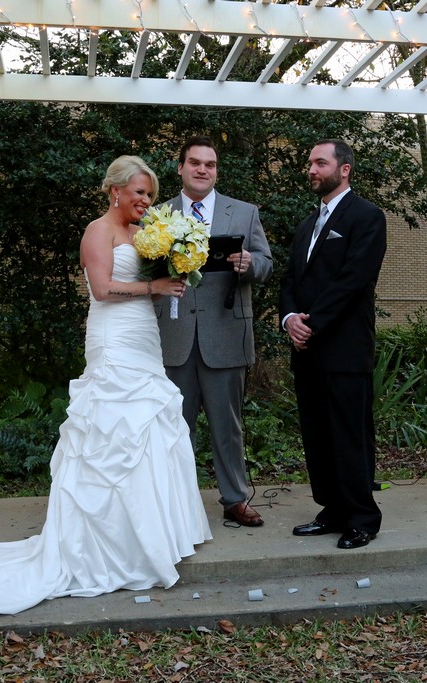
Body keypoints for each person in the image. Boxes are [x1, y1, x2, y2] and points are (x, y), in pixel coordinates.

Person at [0, 156, 212, 634]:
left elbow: (141, 288)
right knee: (112, 432)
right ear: (114, 190)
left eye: (150, 194)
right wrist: (153, 283)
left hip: (143, 337)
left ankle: (151, 534)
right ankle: (105, 542)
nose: (146, 201)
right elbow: (102, 289)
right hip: (113, 339)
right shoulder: (97, 231)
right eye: (139, 192)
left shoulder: (147, 234)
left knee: (149, 425)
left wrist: (169, 278)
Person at [156, 136, 273, 528]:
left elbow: (267, 263)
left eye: (210, 164)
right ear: (180, 168)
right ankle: (176, 503)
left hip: (225, 335)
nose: (202, 170)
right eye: (195, 162)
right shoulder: (158, 215)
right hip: (174, 335)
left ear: (217, 171)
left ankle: (235, 499)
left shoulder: (244, 213)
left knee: (228, 427)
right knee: (174, 428)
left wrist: (249, 264)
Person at [279, 139, 387, 550]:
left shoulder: (367, 216)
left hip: (344, 348)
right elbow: (291, 279)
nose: (311, 169)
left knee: (349, 435)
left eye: (320, 163)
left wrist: (312, 324)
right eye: (310, 163)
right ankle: (333, 509)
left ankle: (362, 518)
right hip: (306, 349)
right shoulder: (307, 224)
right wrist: (290, 318)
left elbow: (354, 280)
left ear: (344, 169)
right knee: (318, 436)